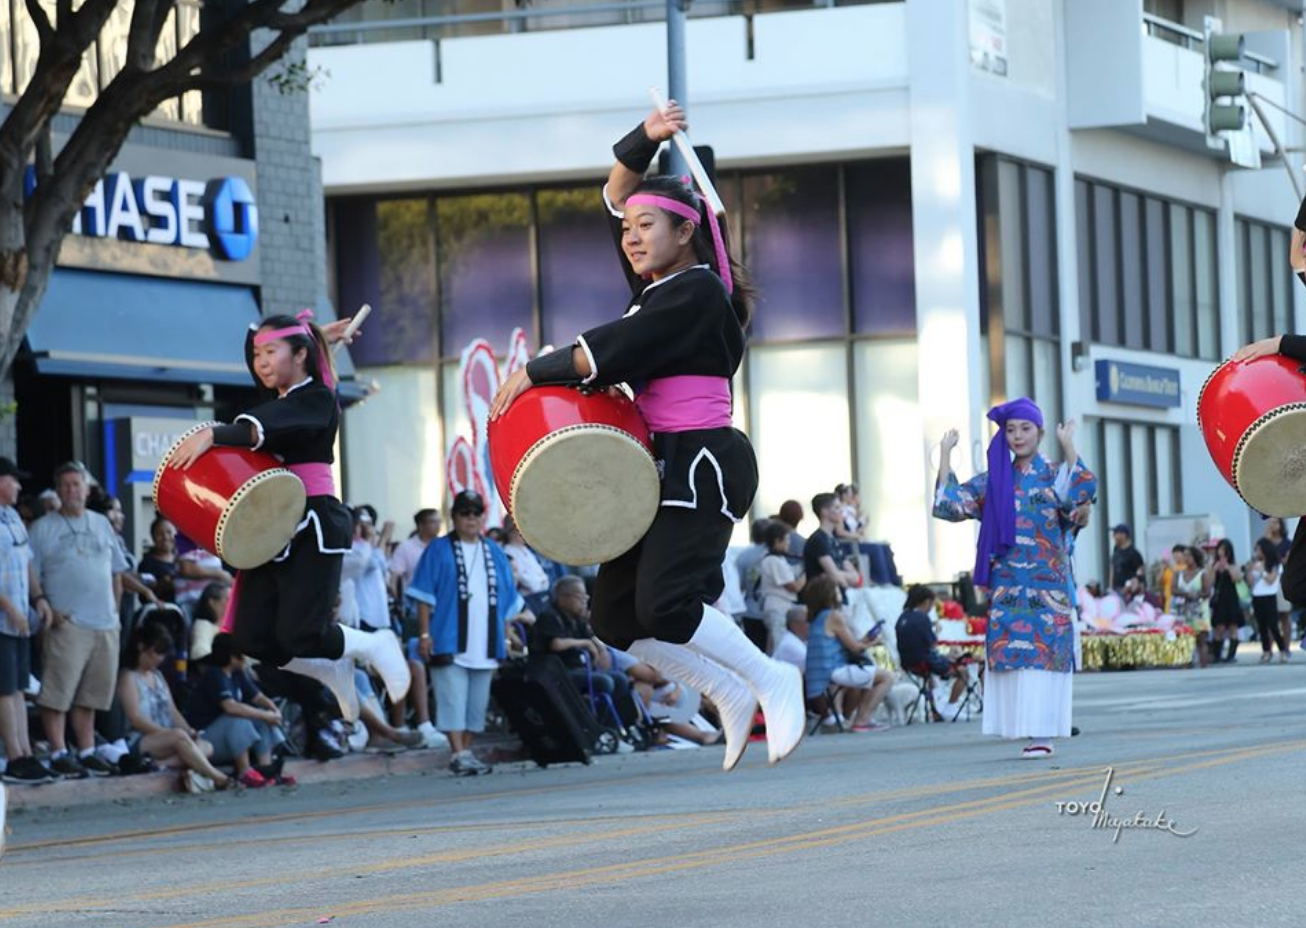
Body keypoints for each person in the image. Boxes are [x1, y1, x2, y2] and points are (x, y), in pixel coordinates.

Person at [487, 102, 803, 770]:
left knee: (666, 602)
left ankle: (772, 678)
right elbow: (614, 196)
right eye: (627, 228)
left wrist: (537, 368)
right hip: (658, 461)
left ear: (685, 232)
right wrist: (645, 138)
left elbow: (619, 347)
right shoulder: (659, 286)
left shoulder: (696, 292)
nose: (630, 236)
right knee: (614, 617)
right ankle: (724, 690)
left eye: (646, 225)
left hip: (701, 460)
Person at [167, 311, 409, 720]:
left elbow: (259, 427)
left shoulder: (315, 398)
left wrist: (213, 433)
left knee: (302, 632)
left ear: (300, 355)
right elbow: (262, 369)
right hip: (275, 522)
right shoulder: (280, 398)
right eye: (257, 353)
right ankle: (330, 667)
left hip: (313, 520)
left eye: (271, 352)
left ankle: (374, 645)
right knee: (252, 637)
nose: (260, 361)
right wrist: (315, 337)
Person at [932, 399, 1096, 759]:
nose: (1018, 436)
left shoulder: (1054, 473)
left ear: (1039, 432)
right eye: (1010, 430)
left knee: (1043, 657)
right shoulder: (994, 480)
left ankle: (1043, 733)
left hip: (1047, 584)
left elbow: (1081, 494)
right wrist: (945, 454)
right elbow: (950, 505)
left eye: (1025, 429)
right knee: (1014, 659)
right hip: (1007, 585)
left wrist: (1069, 445)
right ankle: (1024, 729)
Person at [407, 490, 529, 776]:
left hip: (486, 641)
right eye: (465, 513)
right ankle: (459, 753)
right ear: (455, 517)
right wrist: (425, 635)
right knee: (452, 699)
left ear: (482, 517)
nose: (471, 518)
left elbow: (507, 599)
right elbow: (424, 595)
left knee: (477, 706)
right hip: (448, 637)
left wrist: (508, 633)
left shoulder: (495, 552)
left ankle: (464, 751)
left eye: (476, 513)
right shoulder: (438, 549)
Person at [29, 463, 129, 778]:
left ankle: (86, 750)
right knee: (58, 691)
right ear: (58, 491)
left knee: (92, 693)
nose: (72, 491)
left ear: (87, 490)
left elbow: (117, 572)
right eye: (66, 485)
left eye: (77, 485)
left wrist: (115, 610)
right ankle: (59, 750)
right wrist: (43, 605)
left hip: (104, 622)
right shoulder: (43, 527)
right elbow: (29, 573)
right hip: (67, 622)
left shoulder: (102, 523)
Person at [118, 622, 233, 792]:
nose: (159, 659)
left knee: (206, 746)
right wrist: (167, 733)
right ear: (141, 647)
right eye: (155, 653)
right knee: (180, 738)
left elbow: (172, 712)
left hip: (170, 737)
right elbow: (135, 718)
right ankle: (217, 777)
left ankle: (159, 765)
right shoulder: (129, 677)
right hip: (141, 739)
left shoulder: (158, 676)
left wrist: (190, 731)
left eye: (162, 654)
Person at [0, 457, 56, 785]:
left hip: (20, 616)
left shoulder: (14, 518)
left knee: (20, 686)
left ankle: (25, 752)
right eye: (13, 479)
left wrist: (39, 599)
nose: (19, 486)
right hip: (5, 619)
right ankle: (14, 755)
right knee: (5, 688)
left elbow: (27, 564)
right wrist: (10, 608)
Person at [532, 575, 639, 730]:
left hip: (579, 668)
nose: (584, 602)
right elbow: (556, 644)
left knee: (620, 679)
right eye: (580, 598)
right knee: (604, 682)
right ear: (564, 598)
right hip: (557, 672)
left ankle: (620, 726)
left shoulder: (576, 618)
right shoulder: (550, 616)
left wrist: (601, 650)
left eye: (585, 598)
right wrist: (585, 643)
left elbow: (591, 637)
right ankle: (599, 728)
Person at [185, 633, 288, 787]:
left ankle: (265, 770)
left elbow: (257, 697)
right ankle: (244, 772)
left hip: (227, 737)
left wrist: (273, 710)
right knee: (237, 719)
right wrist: (264, 714)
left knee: (262, 721)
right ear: (232, 657)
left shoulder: (237, 674)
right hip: (206, 739)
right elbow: (230, 707)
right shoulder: (214, 674)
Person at [802, 576, 893, 732]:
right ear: (828, 593)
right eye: (836, 589)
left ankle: (857, 719)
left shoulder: (817, 618)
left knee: (868, 677)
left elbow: (849, 643)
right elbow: (855, 649)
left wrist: (864, 640)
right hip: (834, 670)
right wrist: (873, 643)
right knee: (887, 677)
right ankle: (862, 720)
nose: (840, 592)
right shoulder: (834, 616)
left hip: (821, 673)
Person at [895, 585, 971, 707]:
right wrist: (936, 631)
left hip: (907, 663)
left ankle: (934, 708)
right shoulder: (922, 617)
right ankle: (950, 706)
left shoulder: (902, 618)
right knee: (963, 672)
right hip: (924, 663)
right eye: (931, 604)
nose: (931, 608)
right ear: (926, 602)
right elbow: (932, 643)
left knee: (932, 674)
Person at [758, 521, 804, 654]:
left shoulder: (779, 559)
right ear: (777, 541)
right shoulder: (773, 560)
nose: (788, 544)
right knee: (780, 646)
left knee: (772, 647)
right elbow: (793, 587)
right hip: (777, 608)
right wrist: (806, 575)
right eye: (786, 540)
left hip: (780, 608)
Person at [804, 493, 859, 591]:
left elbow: (856, 577)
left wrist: (838, 574)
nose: (841, 511)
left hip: (838, 597)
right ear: (824, 512)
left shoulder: (833, 540)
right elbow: (835, 576)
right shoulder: (818, 540)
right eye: (837, 507)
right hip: (824, 598)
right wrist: (840, 575)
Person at [1169, 545, 1212, 669]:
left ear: (1195, 557)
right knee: (1183, 639)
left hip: (1199, 611)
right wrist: (1185, 594)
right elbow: (1173, 589)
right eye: (1185, 555)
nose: (1186, 558)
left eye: (1189, 555)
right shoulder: (1179, 573)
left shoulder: (1202, 573)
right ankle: (1186, 665)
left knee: (1201, 640)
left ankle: (1203, 666)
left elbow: (1207, 592)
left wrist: (1197, 594)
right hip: (1183, 610)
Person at [1248, 537, 1289, 663]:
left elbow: (1271, 580)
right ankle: (1266, 651)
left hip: (1269, 596)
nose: (1257, 552)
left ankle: (1282, 650)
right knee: (1262, 626)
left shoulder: (1275, 565)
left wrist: (1262, 572)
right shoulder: (1256, 564)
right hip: (1257, 596)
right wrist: (1250, 571)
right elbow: (1250, 583)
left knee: (1273, 625)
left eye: (1259, 549)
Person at [1207, 538, 1243, 664]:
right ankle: (1217, 654)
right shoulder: (1213, 565)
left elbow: (1236, 579)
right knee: (1219, 627)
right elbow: (1210, 582)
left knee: (1233, 626)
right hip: (1219, 599)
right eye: (1220, 549)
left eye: (1224, 550)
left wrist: (1227, 567)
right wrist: (1214, 569)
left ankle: (1231, 655)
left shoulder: (1233, 565)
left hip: (1231, 598)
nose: (1221, 553)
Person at [138, 517, 180, 603]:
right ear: (153, 538)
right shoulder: (147, 563)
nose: (165, 537)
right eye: (159, 534)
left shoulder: (185, 559)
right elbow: (143, 596)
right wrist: (163, 585)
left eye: (169, 532)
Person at [1108, 525, 1144, 594]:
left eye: (1116, 534)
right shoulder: (1115, 551)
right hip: (1115, 591)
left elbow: (1140, 573)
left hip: (1128, 592)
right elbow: (1112, 569)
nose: (1113, 536)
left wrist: (1132, 586)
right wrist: (1110, 587)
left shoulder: (1134, 553)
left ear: (1123, 535)